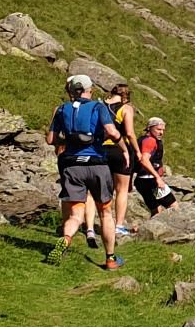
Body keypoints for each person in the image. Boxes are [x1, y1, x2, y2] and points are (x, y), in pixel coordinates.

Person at [45, 73, 123, 267]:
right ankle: (111, 258)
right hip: (97, 164)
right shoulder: (98, 107)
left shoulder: (62, 109)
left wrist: (67, 140)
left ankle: (66, 238)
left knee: (75, 215)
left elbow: (50, 140)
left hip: (72, 166)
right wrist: (123, 147)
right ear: (90, 90)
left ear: (71, 91)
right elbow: (113, 133)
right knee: (105, 213)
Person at [103, 82, 138, 238]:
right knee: (122, 189)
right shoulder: (126, 108)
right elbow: (129, 132)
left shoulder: (100, 105)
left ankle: (105, 221)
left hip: (101, 148)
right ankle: (118, 225)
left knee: (105, 188)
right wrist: (137, 151)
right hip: (121, 149)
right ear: (126, 96)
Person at [133, 116, 178, 215]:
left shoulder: (142, 139)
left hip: (140, 181)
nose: (161, 132)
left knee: (156, 210)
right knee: (174, 207)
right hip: (150, 180)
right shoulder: (150, 141)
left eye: (163, 130)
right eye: (158, 129)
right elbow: (144, 160)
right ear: (149, 128)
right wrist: (158, 177)